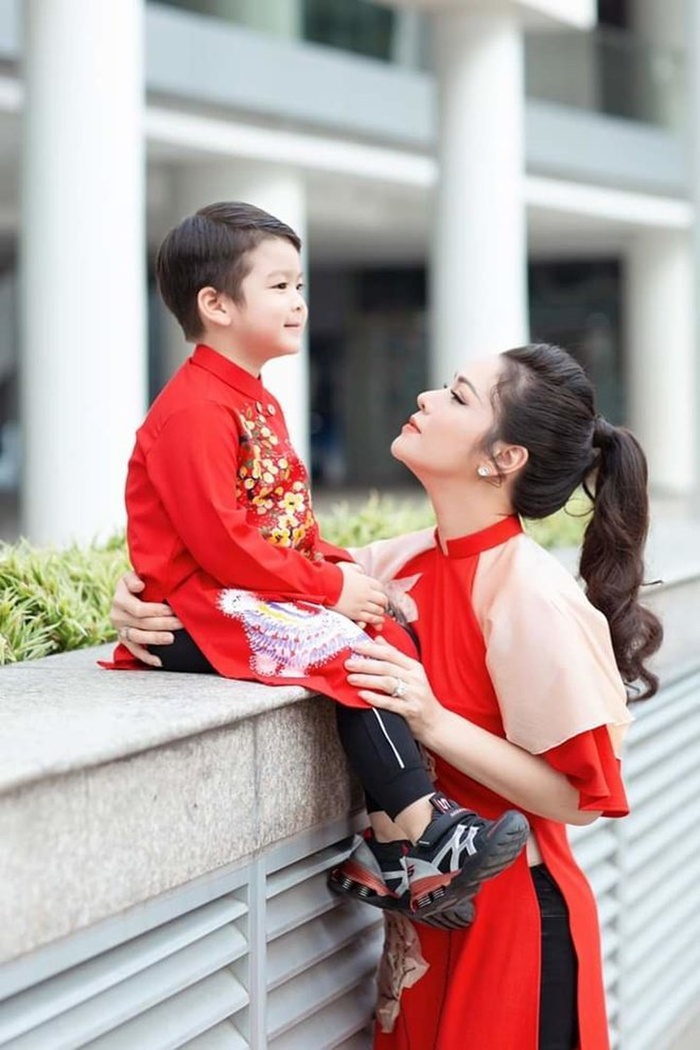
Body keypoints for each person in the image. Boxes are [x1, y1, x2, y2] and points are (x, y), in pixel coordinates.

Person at [112, 342, 662, 1049]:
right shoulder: (393, 565)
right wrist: (143, 604)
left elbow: (580, 800)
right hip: (418, 927)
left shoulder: (532, 594)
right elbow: (255, 596)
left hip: (514, 930)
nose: (428, 398)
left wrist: (431, 720)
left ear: (502, 458)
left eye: (458, 397)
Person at [106, 200, 529, 927]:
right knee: (347, 645)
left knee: (388, 635)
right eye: (280, 287)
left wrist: (349, 579)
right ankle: (426, 827)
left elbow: (287, 528)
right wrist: (331, 588)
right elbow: (222, 544)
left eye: (299, 285)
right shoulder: (194, 410)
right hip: (194, 613)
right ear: (215, 305)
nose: (299, 302)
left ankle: (387, 854)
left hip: (239, 599)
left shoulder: (253, 401)